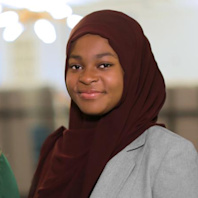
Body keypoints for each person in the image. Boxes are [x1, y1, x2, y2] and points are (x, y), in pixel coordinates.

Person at [28, 10, 198, 198]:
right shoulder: (56, 149)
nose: (86, 77)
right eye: (76, 66)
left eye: (104, 65)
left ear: (133, 71)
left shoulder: (169, 154)